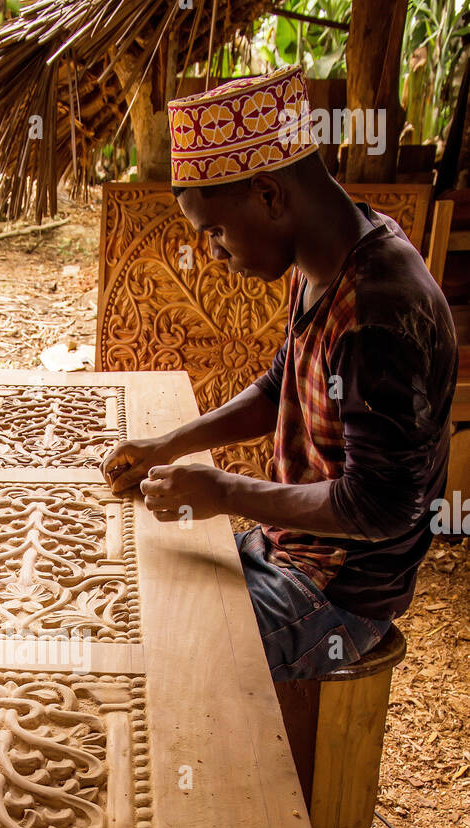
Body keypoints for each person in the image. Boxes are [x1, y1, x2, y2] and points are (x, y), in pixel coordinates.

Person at [101, 65, 458, 680]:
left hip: (338, 593)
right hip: (289, 550)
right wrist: (171, 443)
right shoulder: (333, 253)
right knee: (133, 590)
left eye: (214, 230)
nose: (213, 252)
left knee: (156, 667)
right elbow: (279, 386)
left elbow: (377, 508)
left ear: (268, 194)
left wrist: (224, 493)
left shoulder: (378, 314)